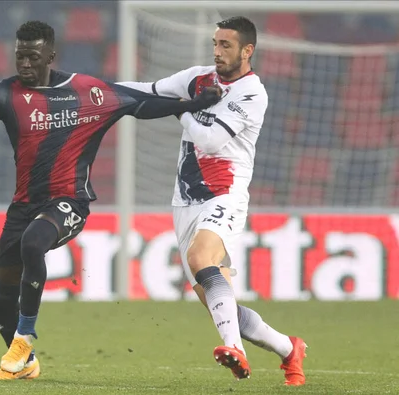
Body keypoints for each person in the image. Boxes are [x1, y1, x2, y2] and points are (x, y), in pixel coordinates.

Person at [0, 21, 222, 381]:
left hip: (70, 201)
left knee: (33, 244)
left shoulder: (88, 91)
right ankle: (26, 362)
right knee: (2, 294)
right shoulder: (2, 94)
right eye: (19, 56)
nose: (24, 64)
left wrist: (193, 103)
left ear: (50, 56)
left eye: (32, 57)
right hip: (23, 206)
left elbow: (140, 105)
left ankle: (24, 337)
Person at [118, 16, 307, 386]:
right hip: (185, 201)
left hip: (226, 192)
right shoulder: (198, 78)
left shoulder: (252, 93)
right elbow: (148, 88)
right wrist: (94, 90)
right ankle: (289, 349)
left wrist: (181, 108)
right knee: (220, 304)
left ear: (247, 50)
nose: (218, 52)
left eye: (226, 45)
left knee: (200, 258)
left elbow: (208, 141)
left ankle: (235, 350)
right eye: (216, 44)